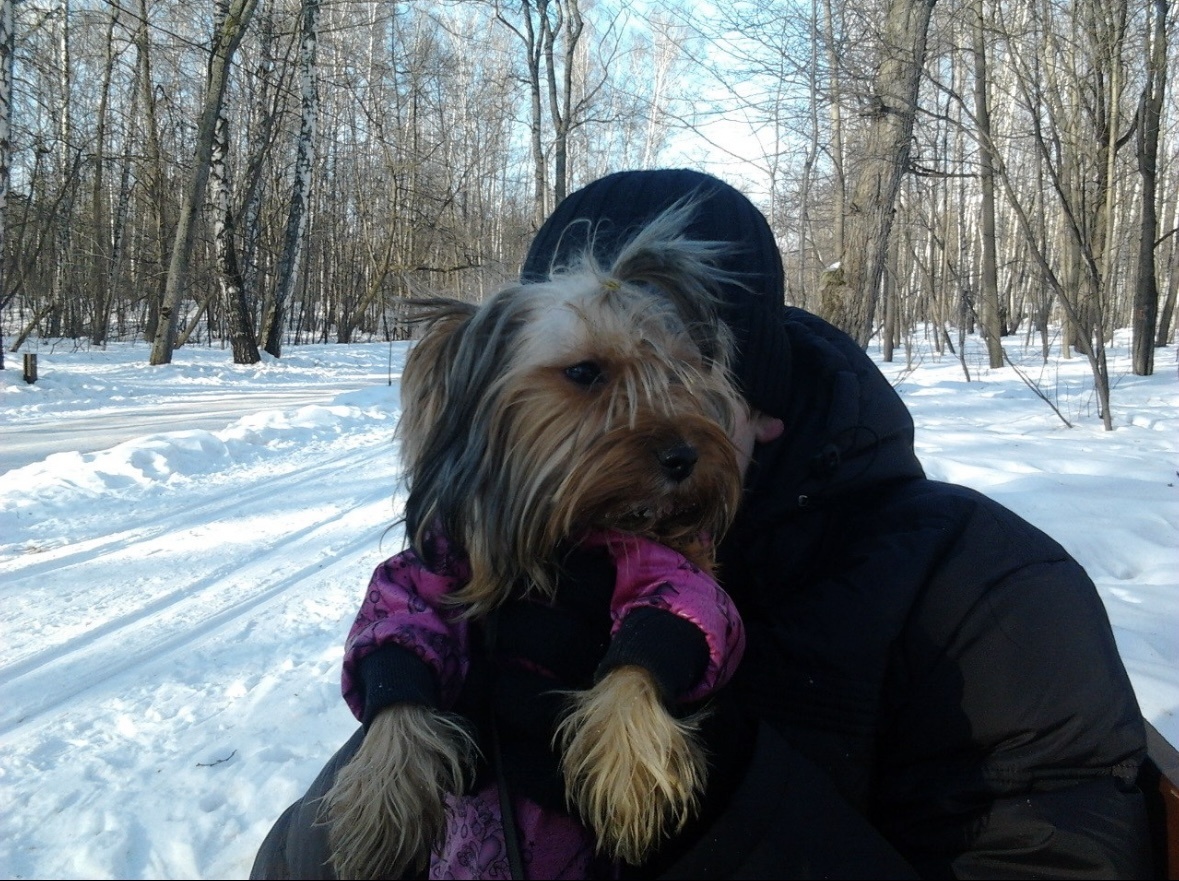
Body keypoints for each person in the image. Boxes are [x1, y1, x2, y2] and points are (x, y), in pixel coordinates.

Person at [250, 168, 1155, 880]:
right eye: (588, 383)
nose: (652, 434)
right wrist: (399, 756)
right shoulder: (491, 570)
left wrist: (725, 811)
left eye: (681, 382)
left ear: (762, 404)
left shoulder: (981, 590)